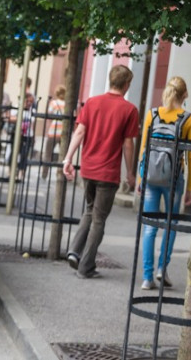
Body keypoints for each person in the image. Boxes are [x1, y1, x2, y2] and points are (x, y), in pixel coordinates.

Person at [62, 65, 139, 279]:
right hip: (108, 172)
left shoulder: (92, 103)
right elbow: (128, 144)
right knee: (98, 219)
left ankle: (74, 251)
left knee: (89, 210)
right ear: (126, 84)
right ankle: (86, 267)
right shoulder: (129, 110)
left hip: (88, 168)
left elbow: (79, 132)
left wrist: (68, 159)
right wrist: (130, 173)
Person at [138, 76, 191, 291]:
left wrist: (140, 177)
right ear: (185, 96)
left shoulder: (152, 115)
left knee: (149, 227)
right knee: (171, 225)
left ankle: (147, 277)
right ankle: (162, 269)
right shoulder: (189, 119)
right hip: (174, 179)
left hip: (151, 178)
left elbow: (145, 147)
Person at [42, 85, 66, 178]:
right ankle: (60, 173)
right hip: (63, 132)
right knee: (62, 155)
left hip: (53, 131)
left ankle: (44, 174)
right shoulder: (67, 104)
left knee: (48, 153)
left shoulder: (54, 103)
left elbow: (49, 113)